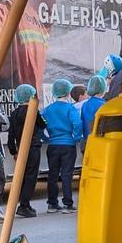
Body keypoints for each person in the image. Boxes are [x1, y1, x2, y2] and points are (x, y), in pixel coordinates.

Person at [41, 79, 82, 213]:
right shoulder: (70, 108)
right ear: (68, 92)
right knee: (66, 175)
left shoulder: (47, 110)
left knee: (52, 174)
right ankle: (67, 204)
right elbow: (77, 124)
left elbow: (40, 126)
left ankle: (52, 204)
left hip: (53, 145)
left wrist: (46, 138)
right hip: (68, 145)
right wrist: (75, 137)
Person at [7, 84, 47, 218]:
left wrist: (13, 151)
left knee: (22, 176)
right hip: (33, 147)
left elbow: (10, 135)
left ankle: (22, 203)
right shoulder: (33, 110)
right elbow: (43, 124)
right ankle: (25, 205)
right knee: (31, 177)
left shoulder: (14, 114)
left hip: (21, 149)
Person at [81, 74, 108, 142]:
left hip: (88, 140)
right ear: (103, 89)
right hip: (99, 142)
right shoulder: (104, 105)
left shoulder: (85, 105)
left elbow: (83, 124)